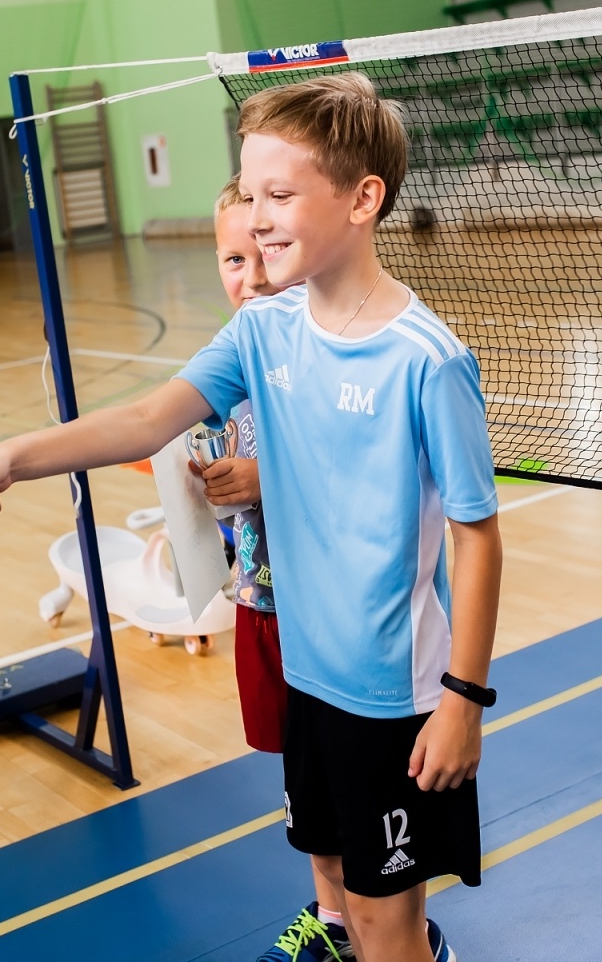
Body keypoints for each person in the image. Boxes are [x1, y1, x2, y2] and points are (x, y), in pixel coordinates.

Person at [0, 72, 500, 962]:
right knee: (349, 918)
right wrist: (12, 456)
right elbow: (143, 421)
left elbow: (478, 536)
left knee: (389, 927)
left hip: (393, 696)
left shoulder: (426, 361)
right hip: (309, 681)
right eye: (249, 196)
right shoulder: (263, 332)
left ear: (364, 199)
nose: (255, 219)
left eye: (279, 195)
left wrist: (464, 702)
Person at [200, 175, 352, 962]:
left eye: (261, 250)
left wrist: (265, 479)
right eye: (232, 258)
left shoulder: (323, 351)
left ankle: (396, 926)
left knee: (356, 787)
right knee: (303, 791)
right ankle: (334, 922)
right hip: (259, 608)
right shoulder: (226, 370)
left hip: (330, 621)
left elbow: (356, 471)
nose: (250, 274)